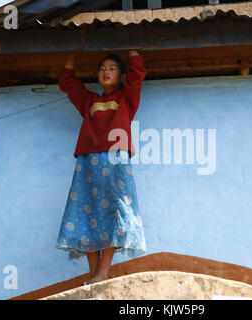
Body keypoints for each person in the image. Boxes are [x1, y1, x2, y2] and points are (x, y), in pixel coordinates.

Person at [55, 48, 147, 285]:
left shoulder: (126, 98)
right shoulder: (90, 101)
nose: (106, 72)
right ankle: (94, 274)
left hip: (116, 162)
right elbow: (67, 82)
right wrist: (74, 53)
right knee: (85, 212)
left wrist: (134, 51)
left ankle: (103, 272)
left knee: (113, 214)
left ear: (121, 75)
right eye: (102, 69)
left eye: (112, 68)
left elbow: (137, 76)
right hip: (87, 163)